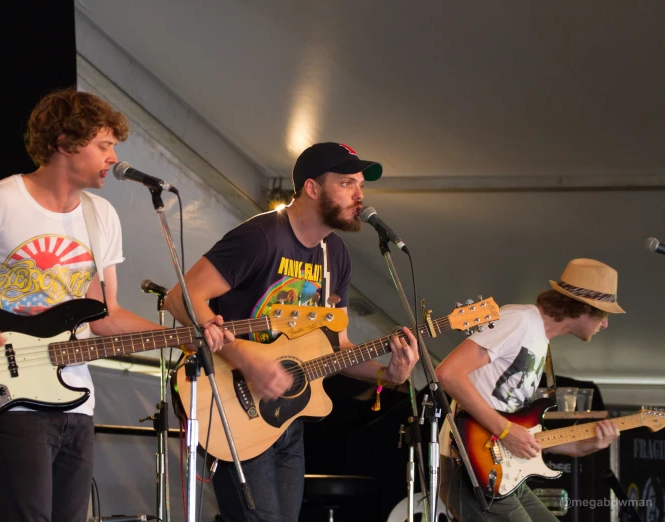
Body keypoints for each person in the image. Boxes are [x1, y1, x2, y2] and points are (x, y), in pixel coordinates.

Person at [0, 89, 230, 522]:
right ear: (64, 142)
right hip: (12, 397)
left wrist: (181, 337)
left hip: (77, 401)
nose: (113, 158)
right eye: (103, 145)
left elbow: (104, 315)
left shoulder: (102, 216)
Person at [164, 142, 420, 522]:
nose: (360, 195)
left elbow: (339, 348)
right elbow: (180, 298)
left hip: (286, 419)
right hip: (234, 404)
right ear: (313, 188)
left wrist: (387, 374)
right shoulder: (262, 236)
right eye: (347, 183)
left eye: (360, 186)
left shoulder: (337, 255)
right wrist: (245, 359)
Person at [435, 258, 624, 521]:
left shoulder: (539, 340)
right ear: (584, 309)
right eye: (603, 315)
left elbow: (520, 429)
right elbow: (448, 373)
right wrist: (506, 430)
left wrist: (582, 446)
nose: (605, 324)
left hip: (502, 473)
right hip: (470, 470)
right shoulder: (519, 320)